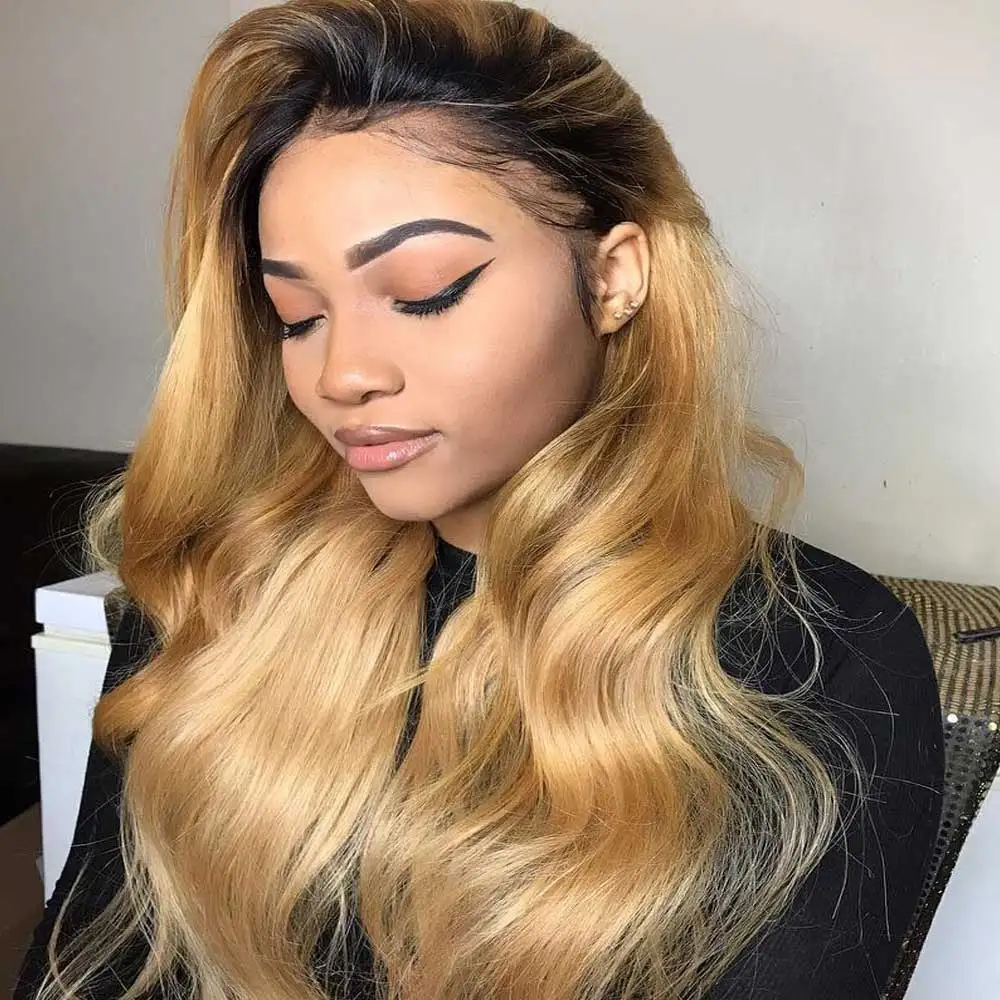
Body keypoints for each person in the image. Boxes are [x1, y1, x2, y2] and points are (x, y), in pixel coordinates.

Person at [15, 1, 944, 998]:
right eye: (297, 314)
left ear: (612, 278)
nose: (342, 373)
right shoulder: (223, 596)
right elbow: (80, 966)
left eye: (426, 291)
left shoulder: (824, 658)